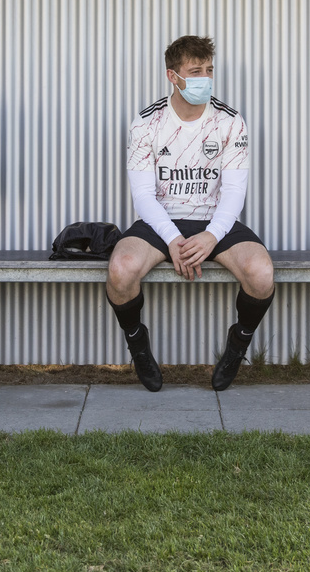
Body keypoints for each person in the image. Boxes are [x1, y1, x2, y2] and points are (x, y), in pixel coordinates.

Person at [106, 35, 275, 392]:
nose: (204, 79)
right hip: (161, 220)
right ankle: (138, 346)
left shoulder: (231, 122)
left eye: (209, 70)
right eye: (195, 71)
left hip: (215, 221)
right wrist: (172, 239)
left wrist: (211, 235)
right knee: (120, 271)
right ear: (173, 76)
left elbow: (233, 192)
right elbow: (143, 195)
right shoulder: (146, 123)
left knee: (261, 274)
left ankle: (236, 346)